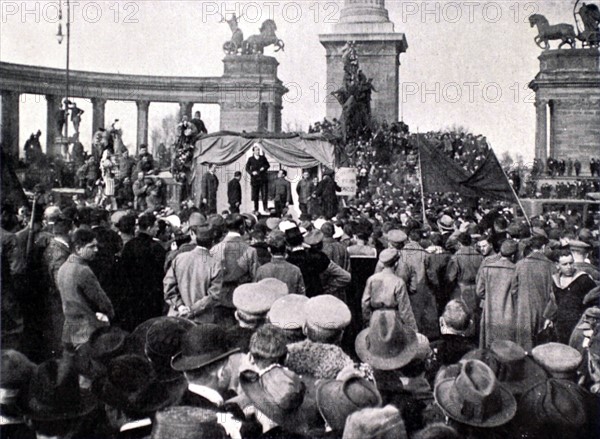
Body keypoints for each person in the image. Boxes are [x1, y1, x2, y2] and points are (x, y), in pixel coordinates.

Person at [57, 228, 114, 349]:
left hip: (70, 329)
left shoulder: (63, 267)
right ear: (78, 249)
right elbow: (101, 300)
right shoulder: (83, 270)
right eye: (91, 247)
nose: (96, 250)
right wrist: (110, 314)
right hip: (88, 330)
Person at [164, 225, 222, 323]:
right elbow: (213, 296)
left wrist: (180, 306)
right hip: (202, 320)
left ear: (195, 238)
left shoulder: (179, 258)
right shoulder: (215, 263)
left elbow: (168, 286)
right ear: (213, 242)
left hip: (177, 317)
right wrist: (192, 310)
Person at [118, 213, 166, 331]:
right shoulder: (156, 247)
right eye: (155, 226)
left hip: (132, 296)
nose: (158, 228)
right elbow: (162, 273)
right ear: (149, 228)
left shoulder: (129, 246)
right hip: (152, 297)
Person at [209, 214, 259, 327]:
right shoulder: (250, 250)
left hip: (219, 299)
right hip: (242, 300)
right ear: (242, 227)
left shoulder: (215, 249)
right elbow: (255, 278)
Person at [511, 235, 557, 351]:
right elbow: (554, 294)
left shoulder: (520, 264)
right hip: (544, 311)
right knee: (542, 346)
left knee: (524, 346)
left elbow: (514, 290)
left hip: (524, 310)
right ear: (543, 247)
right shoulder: (551, 266)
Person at [362, 249, 417, 332]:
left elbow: (365, 302)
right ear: (396, 263)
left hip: (375, 317)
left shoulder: (372, 279)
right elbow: (405, 310)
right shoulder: (398, 282)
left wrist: (367, 320)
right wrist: (413, 329)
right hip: (393, 319)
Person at [477, 239, 518, 348]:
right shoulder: (515, 270)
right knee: (506, 348)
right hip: (508, 312)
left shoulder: (487, 268)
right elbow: (515, 294)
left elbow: (479, 291)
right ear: (513, 255)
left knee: (489, 345)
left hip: (489, 311)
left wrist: (491, 296)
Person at [552, 248, 597, 344]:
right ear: (557, 265)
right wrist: (549, 318)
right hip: (561, 326)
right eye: (565, 264)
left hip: (578, 325)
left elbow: (595, 299)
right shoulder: (556, 281)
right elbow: (553, 302)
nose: (569, 267)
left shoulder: (583, 279)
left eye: (571, 263)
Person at [256, 231, 305, 295]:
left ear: (269, 250)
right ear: (286, 249)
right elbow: (301, 294)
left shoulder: (261, 270)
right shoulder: (295, 270)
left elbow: (257, 293)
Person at [245, 143, 270, 213]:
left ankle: (265, 208)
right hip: (255, 180)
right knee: (255, 195)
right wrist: (251, 172)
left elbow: (268, 165)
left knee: (264, 194)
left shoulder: (263, 158)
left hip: (263, 180)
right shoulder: (250, 159)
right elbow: (247, 168)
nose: (258, 151)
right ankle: (256, 209)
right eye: (256, 150)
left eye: (258, 150)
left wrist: (263, 168)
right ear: (253, 151)